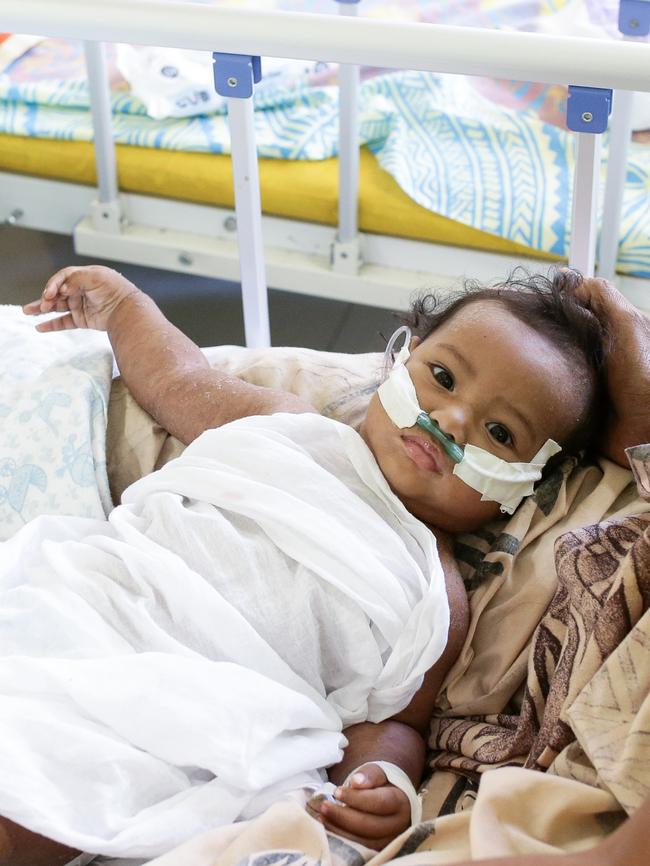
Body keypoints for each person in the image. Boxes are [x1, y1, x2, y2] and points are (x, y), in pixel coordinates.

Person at [0, 266, 637, 865]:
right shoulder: (292, 426)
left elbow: (389, 721)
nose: (452, 419)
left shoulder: (436, 595)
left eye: (501, 434)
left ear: (529, 484)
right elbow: (173, 379)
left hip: (201, 703)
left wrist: (382, 781)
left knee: (64, 785)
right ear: (400, 358)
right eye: (441, 377)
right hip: (91, 601)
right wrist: (123, 308)